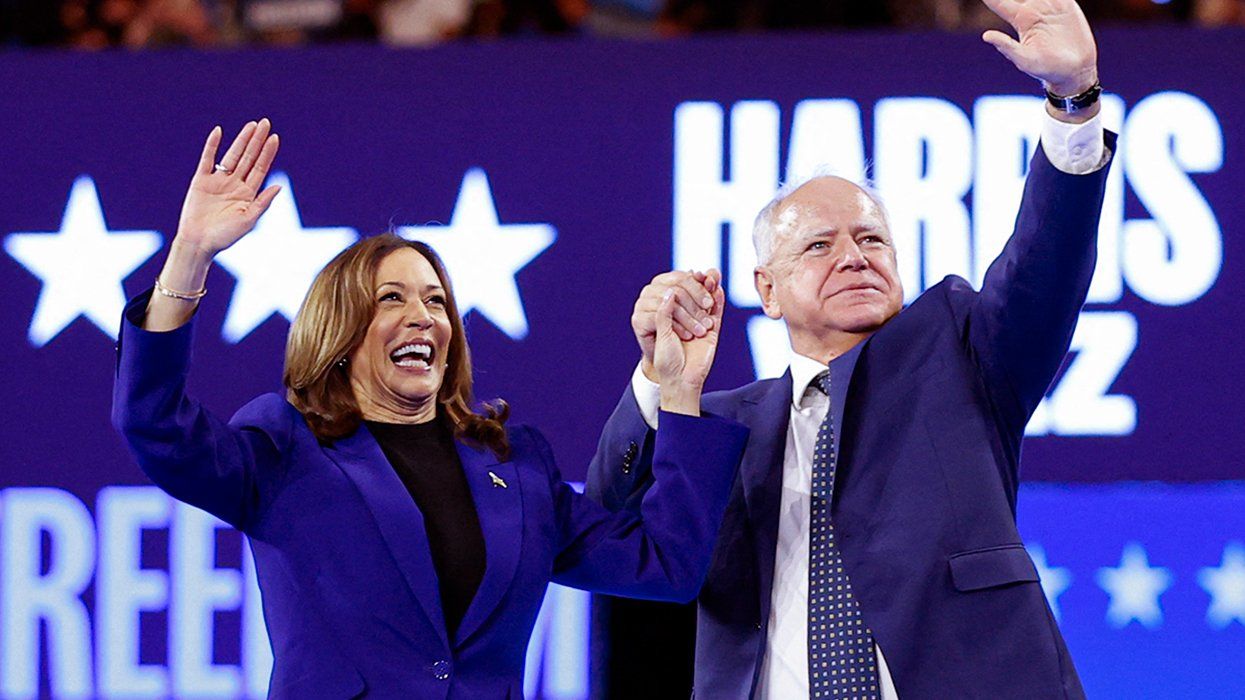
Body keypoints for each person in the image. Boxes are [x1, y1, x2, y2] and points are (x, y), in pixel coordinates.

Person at [112, 118, 748, 698]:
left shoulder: (517, 465)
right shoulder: (283, 447)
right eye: (391, 298)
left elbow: (667, 566)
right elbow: (152, 422)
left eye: (436, 301)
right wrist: (191, 251)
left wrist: (679, 392)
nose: (422, 316)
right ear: (340, 331)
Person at [587, 0, 1112, 697]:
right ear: (766, 292)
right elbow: (607, 524)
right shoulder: (716, 430)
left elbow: (1043, 266)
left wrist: (1071, 100)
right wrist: (660, 380)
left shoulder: (960, 353)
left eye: (870, 240)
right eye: (818, 244)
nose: (854, 257)